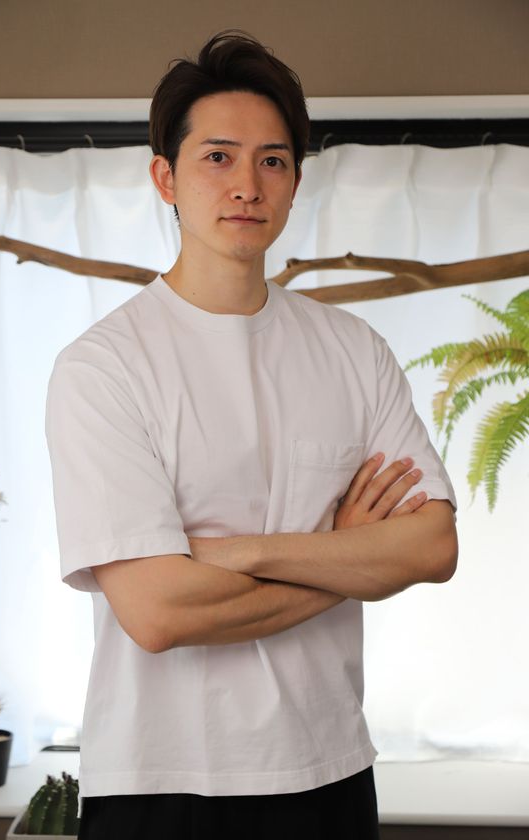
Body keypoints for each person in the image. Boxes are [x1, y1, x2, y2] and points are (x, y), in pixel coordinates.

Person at [45, 29, 458, 840]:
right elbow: (158, 613)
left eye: (273, 160)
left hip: (331, 770)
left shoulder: (354, 351)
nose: (246, 185)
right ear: (165, 177)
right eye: (218, 157)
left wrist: (235, 553)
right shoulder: (103, 366)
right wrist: (344, 555)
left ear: (296, 182)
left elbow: (430, 547)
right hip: (160, 783)